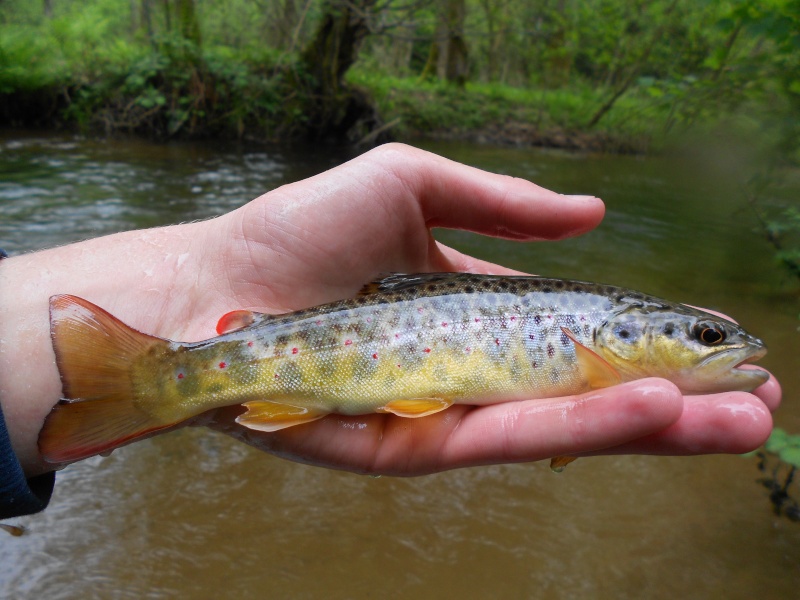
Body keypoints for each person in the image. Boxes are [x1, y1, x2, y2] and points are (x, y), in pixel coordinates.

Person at [0, 143, 781, 518]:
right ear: (629, 336)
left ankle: (153, 380)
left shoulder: (602, 348)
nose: (730, 350)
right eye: (706, 340)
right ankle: (151, 380)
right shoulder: (592, 339)